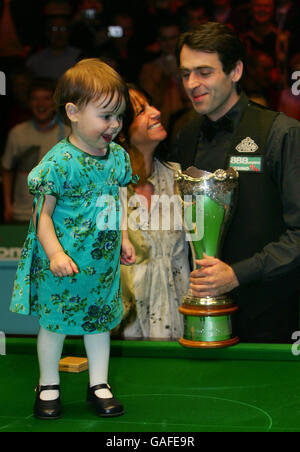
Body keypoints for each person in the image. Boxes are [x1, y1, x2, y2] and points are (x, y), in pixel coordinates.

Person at [9, 59, 135, 420]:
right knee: (54, 325)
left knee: (100, 323)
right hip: (61, 264)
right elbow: (42, 215)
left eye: (119, 117)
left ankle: (99, 383)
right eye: (106, 116)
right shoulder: (58, 162)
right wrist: (54, 254)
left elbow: (117, 200)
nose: (114, 125)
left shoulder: (117, 158)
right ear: (73, 112)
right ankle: (48, 383)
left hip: (101, 264)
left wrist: (124, 237)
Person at [170, 22, 300, 343]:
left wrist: (237, 274)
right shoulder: (185, 137)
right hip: (201, 320)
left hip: (273, 319)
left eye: (204, 72)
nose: (192, 84)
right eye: (185, 73)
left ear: (236, 71)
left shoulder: (281, 132)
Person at [115, 84, 190, 339]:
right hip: (123, 340)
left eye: (151, 105)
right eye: (141, 111)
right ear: (120, 131)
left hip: (180, 334)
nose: (156, 112)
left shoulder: (180, 180)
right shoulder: (105, 189)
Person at [2, 78, 68, 223]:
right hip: (22, 214)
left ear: (55, 102)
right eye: (35, 99)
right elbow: (6, 170)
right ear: (28, 103)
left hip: (58, 215)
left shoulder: (70, 135)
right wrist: (7, 205)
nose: (41, 105)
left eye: (46, 98)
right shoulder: (17, 133)